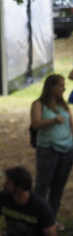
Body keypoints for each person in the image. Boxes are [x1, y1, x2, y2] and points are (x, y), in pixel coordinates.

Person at [31, 74, 72, 219]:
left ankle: (51, 219)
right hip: (48, 149)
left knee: (58, 188)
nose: (64, 88)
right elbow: (36, 124)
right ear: (51, 87)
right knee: (42, 185)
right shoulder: (39, 104)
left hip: (67, 150)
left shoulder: (63, 106)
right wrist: (53, 120)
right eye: (61, 85)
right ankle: (36, 217)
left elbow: (70, 126)